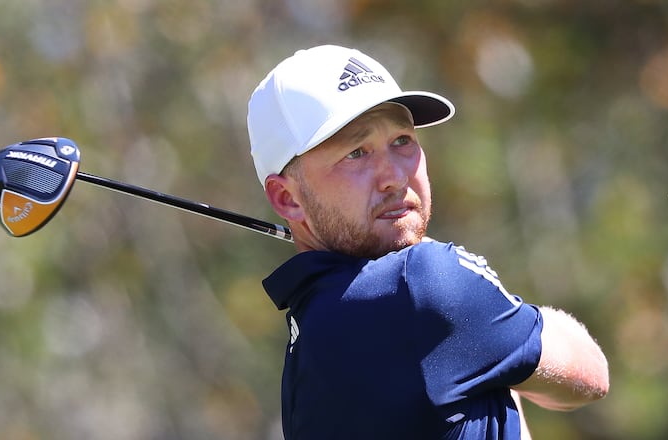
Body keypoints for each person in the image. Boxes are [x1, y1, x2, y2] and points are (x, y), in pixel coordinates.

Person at [246, 44, 609, 440]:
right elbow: (589, 374)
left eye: (402, 140)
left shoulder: (308, 330)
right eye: (356, 153)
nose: (394, 176)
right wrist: (481, 288)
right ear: (287, 198)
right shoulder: (425, 284)